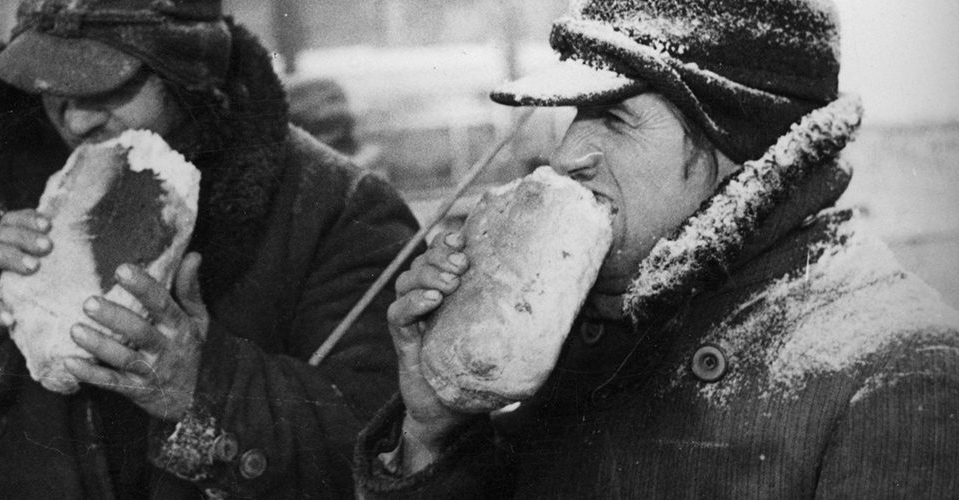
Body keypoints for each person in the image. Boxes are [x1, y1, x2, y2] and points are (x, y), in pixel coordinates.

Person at [355, 0, 959, 498]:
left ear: (739, 141)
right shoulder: (564, 327)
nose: (566, 156)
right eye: (576, 116)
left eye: (614, 118)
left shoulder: (898, 367)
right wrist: (434, 431)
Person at [0, 0, 417, 498]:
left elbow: (404, 458)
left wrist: (203, 390)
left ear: (192, 78)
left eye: (104, 86)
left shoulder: (334, 211)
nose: (76, 121)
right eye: (49, 90)